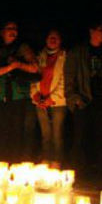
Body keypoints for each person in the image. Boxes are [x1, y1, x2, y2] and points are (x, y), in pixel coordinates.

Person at [0, 21, 39, 162]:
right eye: (9, 28)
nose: (13, 31)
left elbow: (35, 68)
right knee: (0, 131)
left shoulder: (23, 48)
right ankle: (0, 163)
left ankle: (15, 163)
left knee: (17, 131)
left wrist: (19, 64)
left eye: (15, 28)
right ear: (2, 32)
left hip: (18, 95)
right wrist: (11, 67)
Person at [65, 20, 102, 174]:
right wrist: (74, 98)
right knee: (80, 137)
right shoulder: (78, 52)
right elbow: (69, 77)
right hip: (84, 100)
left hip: (101, 101)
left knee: (100, 136)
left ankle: (99, 171)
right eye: (100, 29)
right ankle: (79, 171)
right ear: (92, 31)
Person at [32, 30, 67, 167]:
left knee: (57, 135)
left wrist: (52, 98)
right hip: (40, 101)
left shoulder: (65, 57)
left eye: (56, 37)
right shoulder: (39, 56)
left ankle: (57, 162)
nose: (53, 40)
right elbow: (33, 76)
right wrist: (35, 95)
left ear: (60, 40)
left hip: (57, 102)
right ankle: (46, 161)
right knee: (45, 134)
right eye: (50, 37)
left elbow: (65, 80)